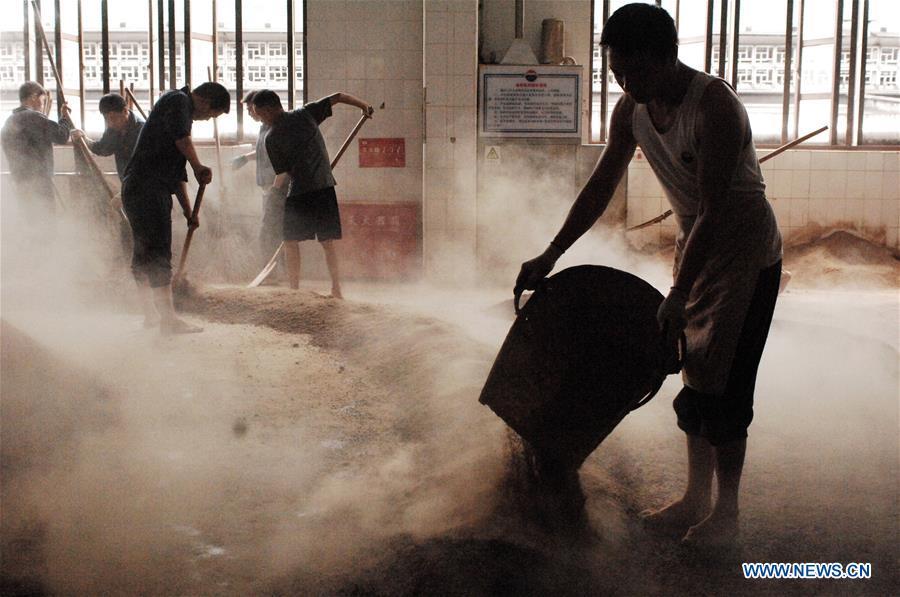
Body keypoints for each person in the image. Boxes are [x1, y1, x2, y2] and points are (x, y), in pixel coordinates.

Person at [515, 3, 782, 546]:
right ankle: (694, 500)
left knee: (725, 388)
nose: (625, 83)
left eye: (633, 72)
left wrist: (680, 291)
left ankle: (725, 517)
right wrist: (551, 254)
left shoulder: (715, 106)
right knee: (694, 372)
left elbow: (715, 208)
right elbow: (600, 187)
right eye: (616, 73)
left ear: (665, 57)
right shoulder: (632, 110)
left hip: (744, 251)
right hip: (698, 245)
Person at [121, 82, 231, 333]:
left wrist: (188, 211)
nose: (206, 119)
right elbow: (183, 143)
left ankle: (151, 315)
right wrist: (199, 166)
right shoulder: (178, 101)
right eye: (211, 115)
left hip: (139, 189)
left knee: (144, 253)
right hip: (148, 188)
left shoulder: (174, 114)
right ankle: (168, 321)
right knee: (158, 253)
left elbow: (177, 173)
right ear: (203, 101)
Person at [251, 89, 373, 299]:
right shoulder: (303, 115)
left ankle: (302, 290)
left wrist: (273, 193)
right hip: (320, 187)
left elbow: (282, 174)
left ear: (269, 109)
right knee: (315, 242)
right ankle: (326, 289)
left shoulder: (283, 129)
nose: (260, 120)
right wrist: (363, 105)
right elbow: (339, 97)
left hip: (302, 190)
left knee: (296, 241)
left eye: (260, 114)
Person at [1, 81, 73, 218]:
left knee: (29, 222)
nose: (42, 105)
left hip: (20, 181)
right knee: (45, 221)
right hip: (39, 182)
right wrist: (65, 118)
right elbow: (61, 136)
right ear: (33, 96)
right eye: (42, 100)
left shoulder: (9, 121)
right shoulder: (34, 117)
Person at [231, 90, 283, 276]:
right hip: (266, 188)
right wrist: (245, 157)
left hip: (276, 188)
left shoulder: (276, 127)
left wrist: (275, 191)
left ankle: (272, 274)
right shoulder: (263, 127)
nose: (249, 112)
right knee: (270, 231)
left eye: (250, 109)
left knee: (269, 233)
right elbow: (263, 152)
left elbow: (283, 160)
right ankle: (273, 273)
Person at [71, 92, 144, 181]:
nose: (110, 123)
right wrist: (84, 138)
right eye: (106, 119)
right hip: (126, 182)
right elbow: (103, 148)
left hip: (144, 183)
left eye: (113, 118)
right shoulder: (113, 129)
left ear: (125, 111)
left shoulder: (142, 129)